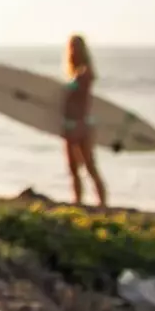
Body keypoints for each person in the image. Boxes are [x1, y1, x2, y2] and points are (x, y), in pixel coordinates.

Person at [62, 34, 108, 208]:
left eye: (76, 47)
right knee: (73, 168)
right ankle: (78, 201)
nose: (73, 51)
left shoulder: (86, 73)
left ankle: (102, 203)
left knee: (90, 166)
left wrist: (77, 124)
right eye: (71, 47)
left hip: (81, 125)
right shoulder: (75, 73)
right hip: (69, 125)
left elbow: (82, 101)